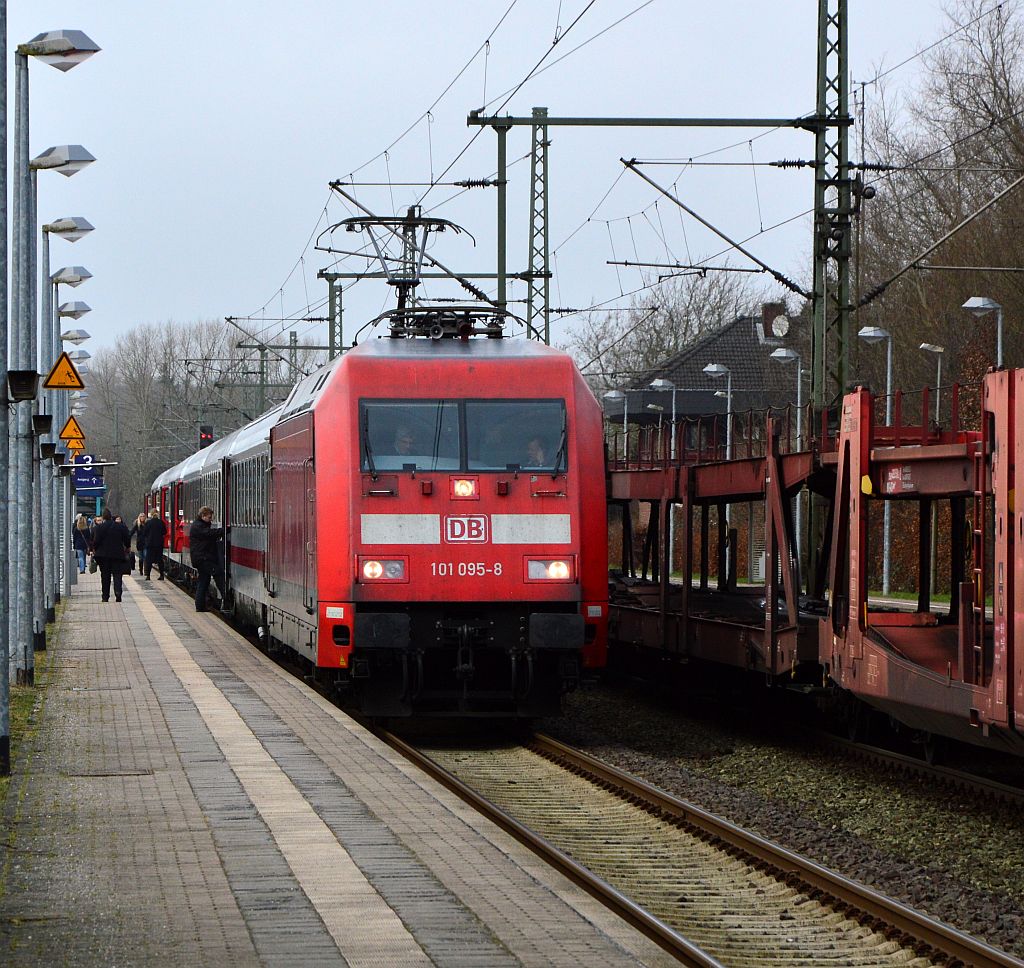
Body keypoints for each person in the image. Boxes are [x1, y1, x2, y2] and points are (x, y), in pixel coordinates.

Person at [189, 506, 227, 613]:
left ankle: (200, 606)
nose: (211, 520)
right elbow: (209, 533)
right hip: (203, 558)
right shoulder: (198, 526)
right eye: (209, 517)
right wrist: (224, 530)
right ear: (203, 516)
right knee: (217, 572)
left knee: (204, 581)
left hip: (200, 558)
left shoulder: (200, 525)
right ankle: (225, 596)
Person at [91, 508, 131, 603]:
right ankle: (118, 593)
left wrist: (95, 550)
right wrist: (127, 547)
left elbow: (96, 541)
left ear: (103, 517)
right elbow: (127, 538)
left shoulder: (99, 528)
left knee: (105, 576)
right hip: (117, 555)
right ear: (111, 516)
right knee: (117, 575)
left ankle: (105, 596)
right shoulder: (120, 527)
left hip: (103, 556)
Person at [141, 509, 168, 581]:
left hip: (150, 544)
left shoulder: (148, 523)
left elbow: (144, 533)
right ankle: (162, 575)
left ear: (151, 514)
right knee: (160, 560)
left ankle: (148, 576)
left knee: (148, 560)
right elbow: (164, 532)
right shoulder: (161, 522)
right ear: (157, 514)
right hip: (159, 543)